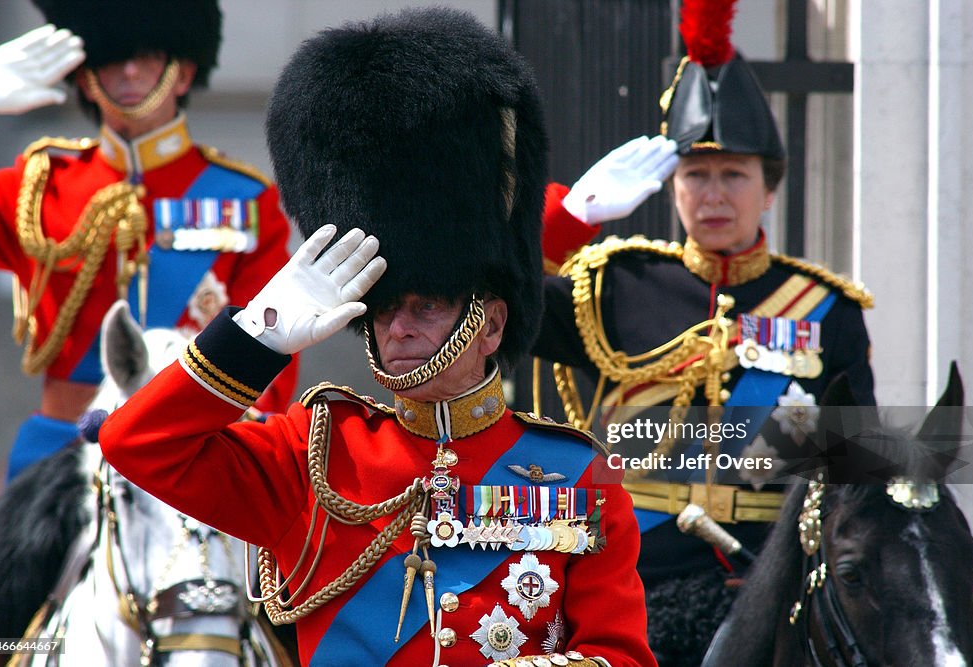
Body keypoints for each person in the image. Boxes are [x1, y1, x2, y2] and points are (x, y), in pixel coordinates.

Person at [100, 9, 656, 667]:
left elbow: (619, 656)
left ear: (492, 324)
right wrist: (259, 335)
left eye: (427, 303)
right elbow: (134, 442)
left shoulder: (578, 476)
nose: (398, 324)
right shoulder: (309, 456)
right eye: (383, 306)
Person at [530, 1, 876, 665]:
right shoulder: (615, 283)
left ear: (770, 187)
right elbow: (485, 309)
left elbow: (854, 471)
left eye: (733, 175)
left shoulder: (826, 310)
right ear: (672, 187)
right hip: (630, 586)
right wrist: (570, 219)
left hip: (773, 598)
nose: (714, 196)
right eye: (696, 176)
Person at [0, 0, 296, 480]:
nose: (128, 71)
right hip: (65, 448)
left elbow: (272, 333)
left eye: (147, 56)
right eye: (110, 58)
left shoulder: (242, 199)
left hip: (189, 450)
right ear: (86, 78)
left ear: (183, 73)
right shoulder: (39, 185)